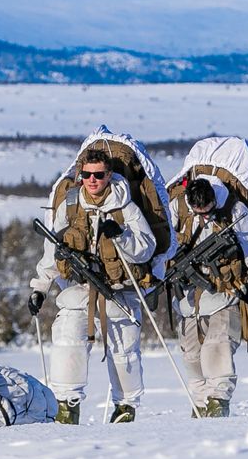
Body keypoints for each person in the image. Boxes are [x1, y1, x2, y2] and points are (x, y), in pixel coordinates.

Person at [27, 145, 157, 423]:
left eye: (98, 174)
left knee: (125, 351)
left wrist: (121, 236)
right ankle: (66, 406)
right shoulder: (71, 204)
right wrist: (40, 287)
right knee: (67, 339)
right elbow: (53, 250)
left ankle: (125, 409)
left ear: (109, 174)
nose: (92, 180)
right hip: (80, 288)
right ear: (80, 174)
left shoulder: (126, 206)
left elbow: (146, 248)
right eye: (86, 174)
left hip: (120, 290)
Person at [172, 173, 248, 417]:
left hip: (226, 294)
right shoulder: (178, 209)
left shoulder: (234, 211)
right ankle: (201, 404)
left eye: (208, 211)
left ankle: (218, 402)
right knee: (192, 357)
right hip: (189, 301)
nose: (204, 216)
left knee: (218, 347)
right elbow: (164, 245)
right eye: (199, 212)